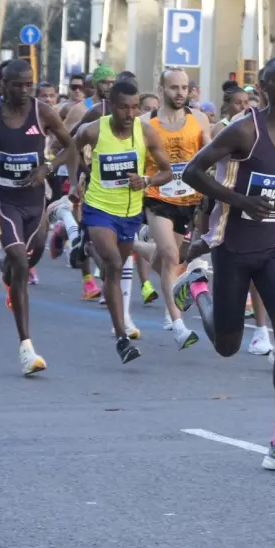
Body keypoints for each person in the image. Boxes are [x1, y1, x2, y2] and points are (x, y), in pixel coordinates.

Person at [175, 56, 275, 474]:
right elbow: (194, 171)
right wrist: (239, 201)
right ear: (264, 88)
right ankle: (198, 289)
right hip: (233, 247)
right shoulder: (245, 130)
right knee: (227, 346)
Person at [0, 59, 75, 374]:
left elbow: (70, 146)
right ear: (4, 85)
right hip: (6, 202)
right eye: (17, 85)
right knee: (20, 266)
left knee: (29, 257)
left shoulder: (44, 113)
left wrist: (47, 168)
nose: (24, 90)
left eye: (29, 84)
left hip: (35, 202)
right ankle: (26, 348)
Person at [69, 77, 173, 364]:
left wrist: (147, 180)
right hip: (98, 208)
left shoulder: (146, 132)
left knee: (113, 270)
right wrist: (77, 179)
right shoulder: (94, 129)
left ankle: (84, 245)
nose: (131, 113)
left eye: (135, 107)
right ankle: (121, 338)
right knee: (114, 264)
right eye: (124, 107)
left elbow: (167, 171)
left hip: (129, 212)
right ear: (111, 106)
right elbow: (69, 147)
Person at [141, 68, 207, 348]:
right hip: (156, 195)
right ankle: (177, 324)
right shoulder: (145, 122)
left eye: (184, 88)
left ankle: (132, 245)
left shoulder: (199, 119)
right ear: (161, 89)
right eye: (173, 87)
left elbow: (209, 157)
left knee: (170, 259)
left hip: (188, 200)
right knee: (169, 255)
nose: (180, 93)